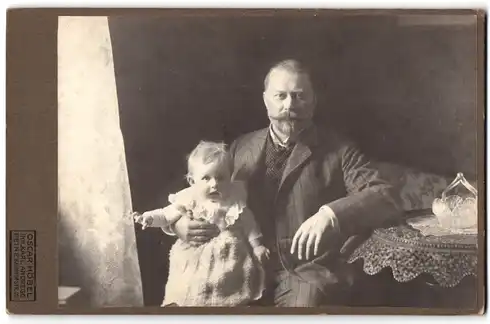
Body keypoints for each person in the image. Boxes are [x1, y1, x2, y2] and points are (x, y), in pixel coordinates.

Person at [165, 59, 403, 307]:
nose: (289, 105)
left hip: (306, 271)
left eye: (299, 96)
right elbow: (200, 193)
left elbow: (384, 195)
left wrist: (330, 214)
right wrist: (180, 223)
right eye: (281, 96)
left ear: (314, 101)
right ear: (266, 99)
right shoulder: (240, 147)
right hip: (241, 268)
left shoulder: (340, 150)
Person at [134, 140, 269, 306]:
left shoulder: (233, 200)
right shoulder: (189, 198)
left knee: (227, 282)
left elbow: (249, 224)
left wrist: (257, 246)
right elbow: (166, 215)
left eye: (220, 178)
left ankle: (227, 302)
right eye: (206, 178)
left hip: (228, 254)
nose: (214, 184)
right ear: (192, 182)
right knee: (190, 283)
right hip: (195, 252)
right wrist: (149, 218)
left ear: (230, 178)